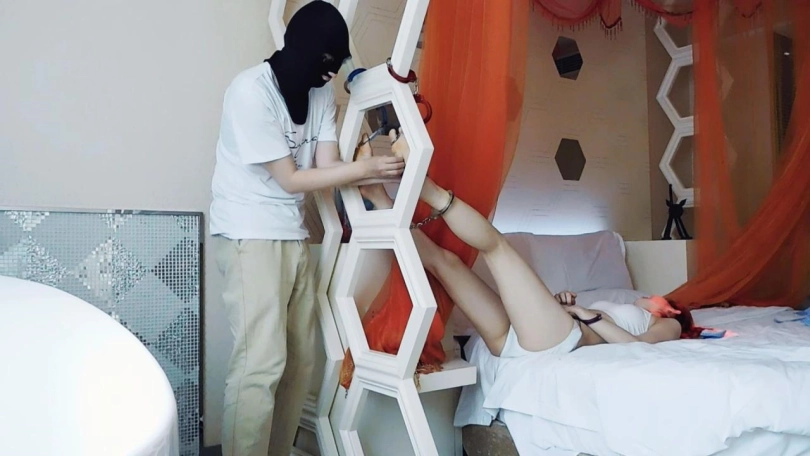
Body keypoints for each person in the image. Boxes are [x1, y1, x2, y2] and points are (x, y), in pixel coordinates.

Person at [209, 3, 405, 456]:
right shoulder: (249, 92)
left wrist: (369, 168)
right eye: (326, 64)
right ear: (303, 52)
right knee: (260, 363)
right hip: (248, 233)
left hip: (291, 231)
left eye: (335, 66)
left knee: (300, 364)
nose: (330, 75)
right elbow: (292, 179)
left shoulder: (320, 94)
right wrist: (366, 169)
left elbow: (328, 166)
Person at [355, 129, 697, 361]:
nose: (654, 296)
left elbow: (637, 348)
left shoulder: (668, 324)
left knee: (498, 247)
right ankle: (379, 199)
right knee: (445, 264)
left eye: (660, 298)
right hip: (533, 336)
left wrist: (586, 314)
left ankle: (424, 185)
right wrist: (565, 306)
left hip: (560, 341)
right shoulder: (633, 310)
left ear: (668, 309)